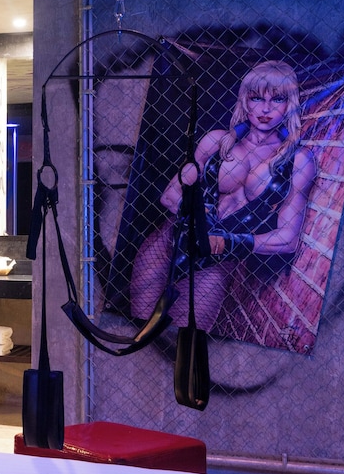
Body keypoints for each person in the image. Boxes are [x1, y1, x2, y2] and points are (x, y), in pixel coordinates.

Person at [130, 60, 316, 331]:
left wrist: (228, 242)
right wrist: (196, 217)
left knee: (179, 340)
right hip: (168, 243)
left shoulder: (298, 160)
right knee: (137, 329)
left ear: (290, 105)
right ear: (245, 101)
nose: (265, 109)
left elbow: (288, 239)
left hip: (215, 264)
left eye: (277, 99)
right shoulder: (216, 141)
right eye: (256, 98)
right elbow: (170, 195)